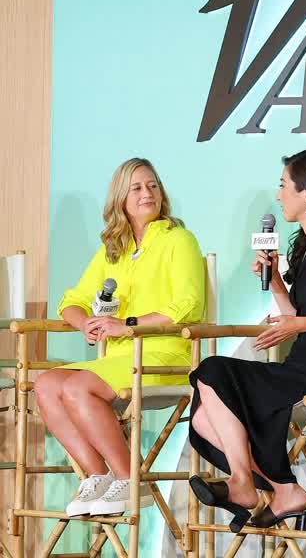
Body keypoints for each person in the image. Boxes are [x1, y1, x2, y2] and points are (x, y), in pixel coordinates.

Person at [188, 148, 306, 533]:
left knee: (212, 370)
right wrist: (275, 280)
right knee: (205, 417)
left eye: (284, 186)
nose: (278, 195)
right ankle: (281, 489)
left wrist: (298, 324)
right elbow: (297, 315)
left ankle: (248, 485)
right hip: (302, 364)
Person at [34, 157, 205, 516]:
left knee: (77, 386)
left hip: (165, 355)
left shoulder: (179, 239)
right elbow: (71, 301)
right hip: (120, 360)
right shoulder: (113, 249)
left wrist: (127, 324)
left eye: (153, 186)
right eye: (137, 188)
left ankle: (130, 479)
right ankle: (98, 476)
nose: (148, 193)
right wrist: (85, 323)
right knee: (46, 384)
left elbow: (188, 304)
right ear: (120, 200)